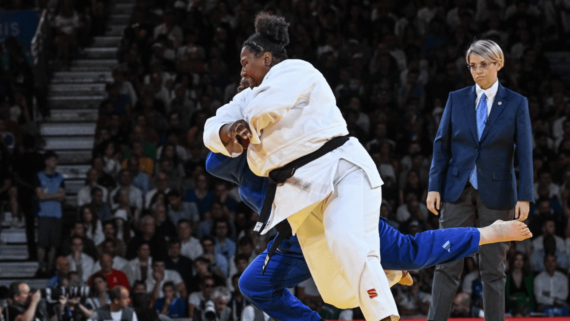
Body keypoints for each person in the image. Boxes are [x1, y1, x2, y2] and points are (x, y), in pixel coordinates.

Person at [203, 12, 399, 320]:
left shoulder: (293, 70)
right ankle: (387, 275)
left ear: (266, 58)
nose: (242, 70)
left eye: (245, 62)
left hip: (337, 170)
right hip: (301, 197)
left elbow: (266, 109)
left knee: (344, 237)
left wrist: (244, 130)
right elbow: (212, 128)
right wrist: (227, 131)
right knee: (335, 292)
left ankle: (385, 315)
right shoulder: (246, 98)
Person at [205, 149, 532, 321]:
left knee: (409, 253)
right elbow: (212, 158)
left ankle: (486, 233)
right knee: (252, 284)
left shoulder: (287, 134)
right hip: (299, 239)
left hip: (340, 215)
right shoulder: (237, 162)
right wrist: (236, 127)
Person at [426, 39, 534, 321]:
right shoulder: (456, 98)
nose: (477, 71)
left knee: (493, 268)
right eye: (472, 66)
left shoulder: (516, 103)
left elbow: (524, 152)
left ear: (498, 64)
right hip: (456, 190)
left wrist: (525, 195)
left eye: (483, 65)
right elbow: (441, 145)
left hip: (498, 192)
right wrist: (434, 186)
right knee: (446, 262)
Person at [35, 151, 66, 275]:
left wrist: (47, 195)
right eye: (53, 160)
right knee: (42, 243)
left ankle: (50, 267)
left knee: (54, 244)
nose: (55, 162)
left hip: (56, 214)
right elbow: (40, 196)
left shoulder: (60, 178)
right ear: (46, 162)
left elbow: (62, 197)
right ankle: (41, 266)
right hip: (43, 214)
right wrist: (55, 196)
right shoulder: (39, 176)